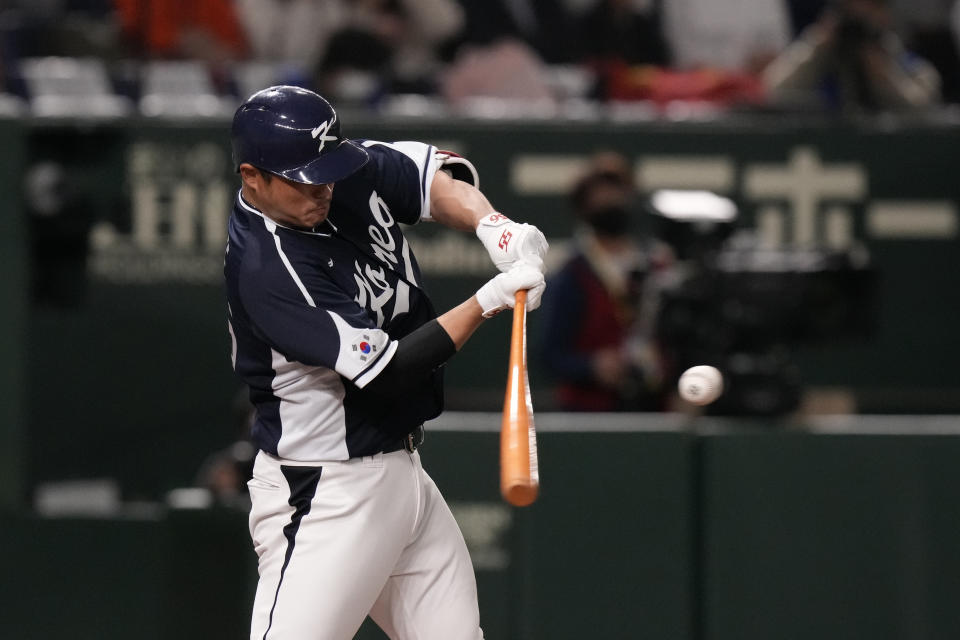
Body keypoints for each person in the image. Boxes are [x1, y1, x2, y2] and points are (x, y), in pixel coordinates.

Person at [224, 85, 547, 640]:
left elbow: (430, 183)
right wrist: (486, 302)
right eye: (305, 177)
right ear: (252, 176)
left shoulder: (336, 169)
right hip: (326, 493)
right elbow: (391, 372)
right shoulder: (266, 266)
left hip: (403, 476)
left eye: (328, 169)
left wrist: (496, 229)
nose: (323, 187)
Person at [538, 152, 669, 412]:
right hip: (590, 412)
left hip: (652, 407)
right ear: (583, 206)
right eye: (599, 195)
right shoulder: (572, 274)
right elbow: (550, 355)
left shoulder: (656, 265)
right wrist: (592, 366)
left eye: (616, 192)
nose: (610, 201)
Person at [763, 0, 942, 111]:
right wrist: (817, 46)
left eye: (869, 7)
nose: (858, 15)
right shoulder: (820, 53)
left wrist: (884, 76)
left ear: (884, 14)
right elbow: (771, 91)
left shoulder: (900, 59)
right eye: (850, 7)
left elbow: (925, 107)